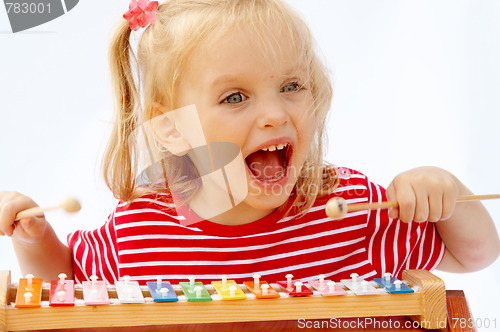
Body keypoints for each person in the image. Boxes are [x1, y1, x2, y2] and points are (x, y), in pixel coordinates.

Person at [0, 0, 498, 285]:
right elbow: (63, 283)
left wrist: (446, 193)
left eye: (291, 87)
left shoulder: (349, 209)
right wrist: (35, 239)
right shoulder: (141, 230)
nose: (276, 114)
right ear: (171, 126)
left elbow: (474, 256)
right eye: (236, 96)